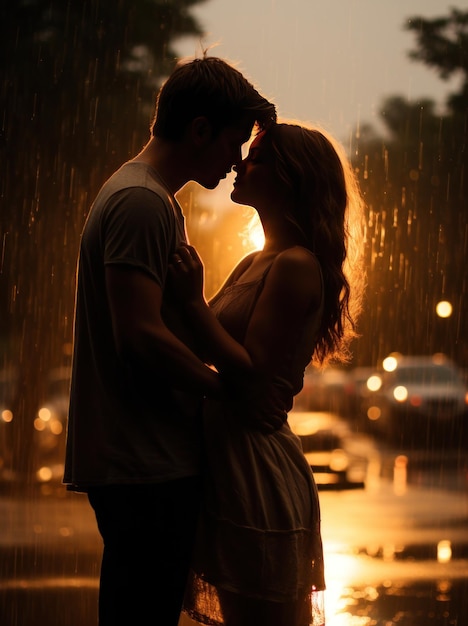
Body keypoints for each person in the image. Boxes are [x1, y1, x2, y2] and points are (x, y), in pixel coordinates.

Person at [63, 55, 277, 626]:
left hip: (140, 458)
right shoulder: (142, 202)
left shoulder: (145, 197)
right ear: (200, 130)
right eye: (234, 143)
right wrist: (226, 392)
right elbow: (139, 336)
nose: (236, 162)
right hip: (144, 462)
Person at [168, 122, 366, 626]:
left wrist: (193, 303)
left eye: (254, 157)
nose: (238, 163)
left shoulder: (297, 265)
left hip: (257, 468)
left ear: (288, 178)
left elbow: (251, 369)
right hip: (231, 461)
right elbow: (202, 339)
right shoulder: (255, 260)